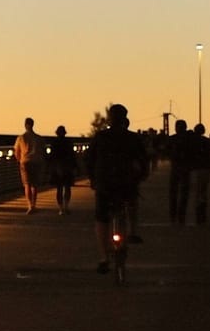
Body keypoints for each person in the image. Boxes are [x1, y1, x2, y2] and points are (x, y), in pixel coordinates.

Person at [83, 103, 149, 273]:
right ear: (125, 118)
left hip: (104, 183)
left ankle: (103, 257)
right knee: (131, 202)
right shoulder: (133, 138)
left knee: (101, 218)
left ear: (110, 118)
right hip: (127, 182)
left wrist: (92, 178)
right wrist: (141, 176)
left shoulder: (101, 137)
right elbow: (143, 161)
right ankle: (133, 231)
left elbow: (89, 159)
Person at [166, 118, 201, 224]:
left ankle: (173, 216)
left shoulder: (172, 139)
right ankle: (181, 216)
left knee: (174, 193)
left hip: (176, 168)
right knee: (183, 194)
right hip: (185, 168)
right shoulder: (190, 138)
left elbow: (166, 151)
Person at [12, 116, 45, 214]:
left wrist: (19, 160)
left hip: (25, 162)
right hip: (36, 162)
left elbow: (16, 151)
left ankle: (29, 205)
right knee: (34, 185)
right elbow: (42, 151)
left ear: (25, 125)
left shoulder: (21, 138)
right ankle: (34, 204)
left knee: (27, 184)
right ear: (33, 125)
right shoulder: (39, 138)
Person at [46, 123, 78, 213]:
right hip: (67, 167)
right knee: (67, 187)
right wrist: (75, 167)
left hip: (57, 167)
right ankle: (66, 206)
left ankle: (60, 208)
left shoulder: (54, 143)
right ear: (65, 133)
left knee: (59, 188)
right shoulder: (69, 142)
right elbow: (72, 155)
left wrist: (49, 168)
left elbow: (51, 156)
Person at [191, 122, 210, 224]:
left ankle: (198, 213)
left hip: (195, 169)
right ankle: (203, 213)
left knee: (197, 191)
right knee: (203, 191)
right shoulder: (208, 142)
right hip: (206, 169)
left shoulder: (192, 142)